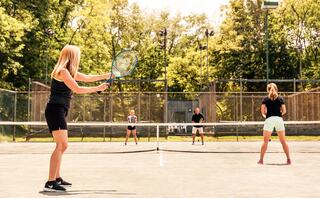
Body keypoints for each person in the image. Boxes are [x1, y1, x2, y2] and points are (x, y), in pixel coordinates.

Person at [44, 45, 111, 192]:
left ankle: (56, 177)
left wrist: (106, 75)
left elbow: (87, 77)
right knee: (61, 145)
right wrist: (97, 88)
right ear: (72, 56)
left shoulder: (68, 71)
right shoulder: (62, 71)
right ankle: (50, 182)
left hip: (59, 110)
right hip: (55, 110)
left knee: (63, 145)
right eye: (77, 55)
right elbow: (77, 89)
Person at [258, 83, 291, 165]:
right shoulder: (280, 99)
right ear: (276, 89)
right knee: (283, 141)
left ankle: (261, 160)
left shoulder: (265, 99)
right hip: (279, 119)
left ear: (267, 90)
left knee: (265, 141)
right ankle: (289, 159)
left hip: (269, 119)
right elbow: (284, 111)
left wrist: (266, 116)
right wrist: (278, 115)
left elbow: (262, 112)